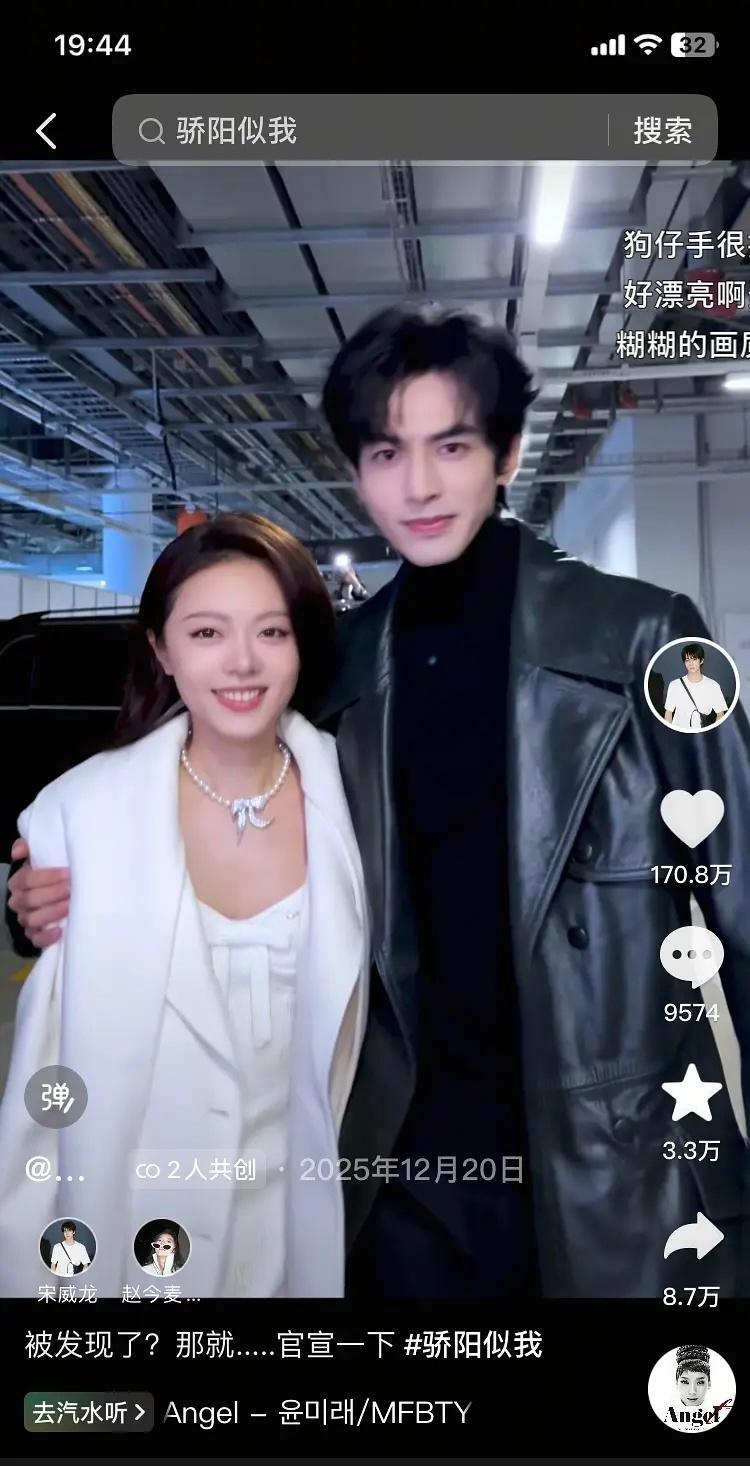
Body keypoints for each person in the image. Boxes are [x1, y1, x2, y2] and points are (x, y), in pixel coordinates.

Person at [7, 307, 750, 1300]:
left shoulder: (646, 639)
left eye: (453, 445)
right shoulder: (339, 672)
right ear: (357, 471)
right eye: (387, 452)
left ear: (507, 454)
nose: (420, 485)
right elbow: (206, 819)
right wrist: (49, 896)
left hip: (614, 1164)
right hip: (400, 1181)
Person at [0, 515, 370, 1299]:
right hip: (132, 1234)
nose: (242, 661)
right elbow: (44, 1075)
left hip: (304, 1229)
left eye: (271, 632)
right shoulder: (79, 815)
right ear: (162, 649)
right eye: (206, 632)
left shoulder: (362, 803)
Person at [664, 642, 729, 731]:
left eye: (694, 659)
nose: (691, 663)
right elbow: (668, 713)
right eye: (687, 660)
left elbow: (720, 714)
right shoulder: (675, 685)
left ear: (701, 661)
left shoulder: (713, 685)